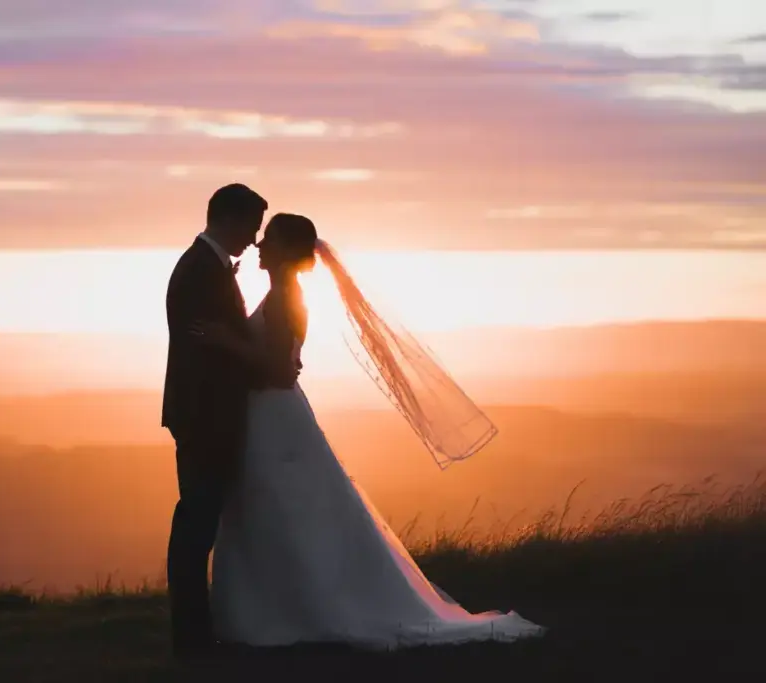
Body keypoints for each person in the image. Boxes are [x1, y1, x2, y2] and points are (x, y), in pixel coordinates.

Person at [194, 213, 546, 649]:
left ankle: (291, 612)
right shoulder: (282, 293)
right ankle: (279, 608)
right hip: (269, 415)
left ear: (286, 251)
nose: (260, 246)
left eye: (269, 240)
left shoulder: (287, 297)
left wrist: (226, 343)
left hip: (275, 416)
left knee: (281, 505)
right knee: (277, 508)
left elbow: (282, 371)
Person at [160, 184, 299, 658]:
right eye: (252, 227)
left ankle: (199, 634)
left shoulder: (209, 267)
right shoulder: (200, 269)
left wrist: (262, 357)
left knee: (202, 522)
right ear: (230, 219)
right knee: (196, 523)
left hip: (214, 414)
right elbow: (199, 342)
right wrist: (260, 359)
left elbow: (223, 341)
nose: (255, 240)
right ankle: (192, 640)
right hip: (204, 416)